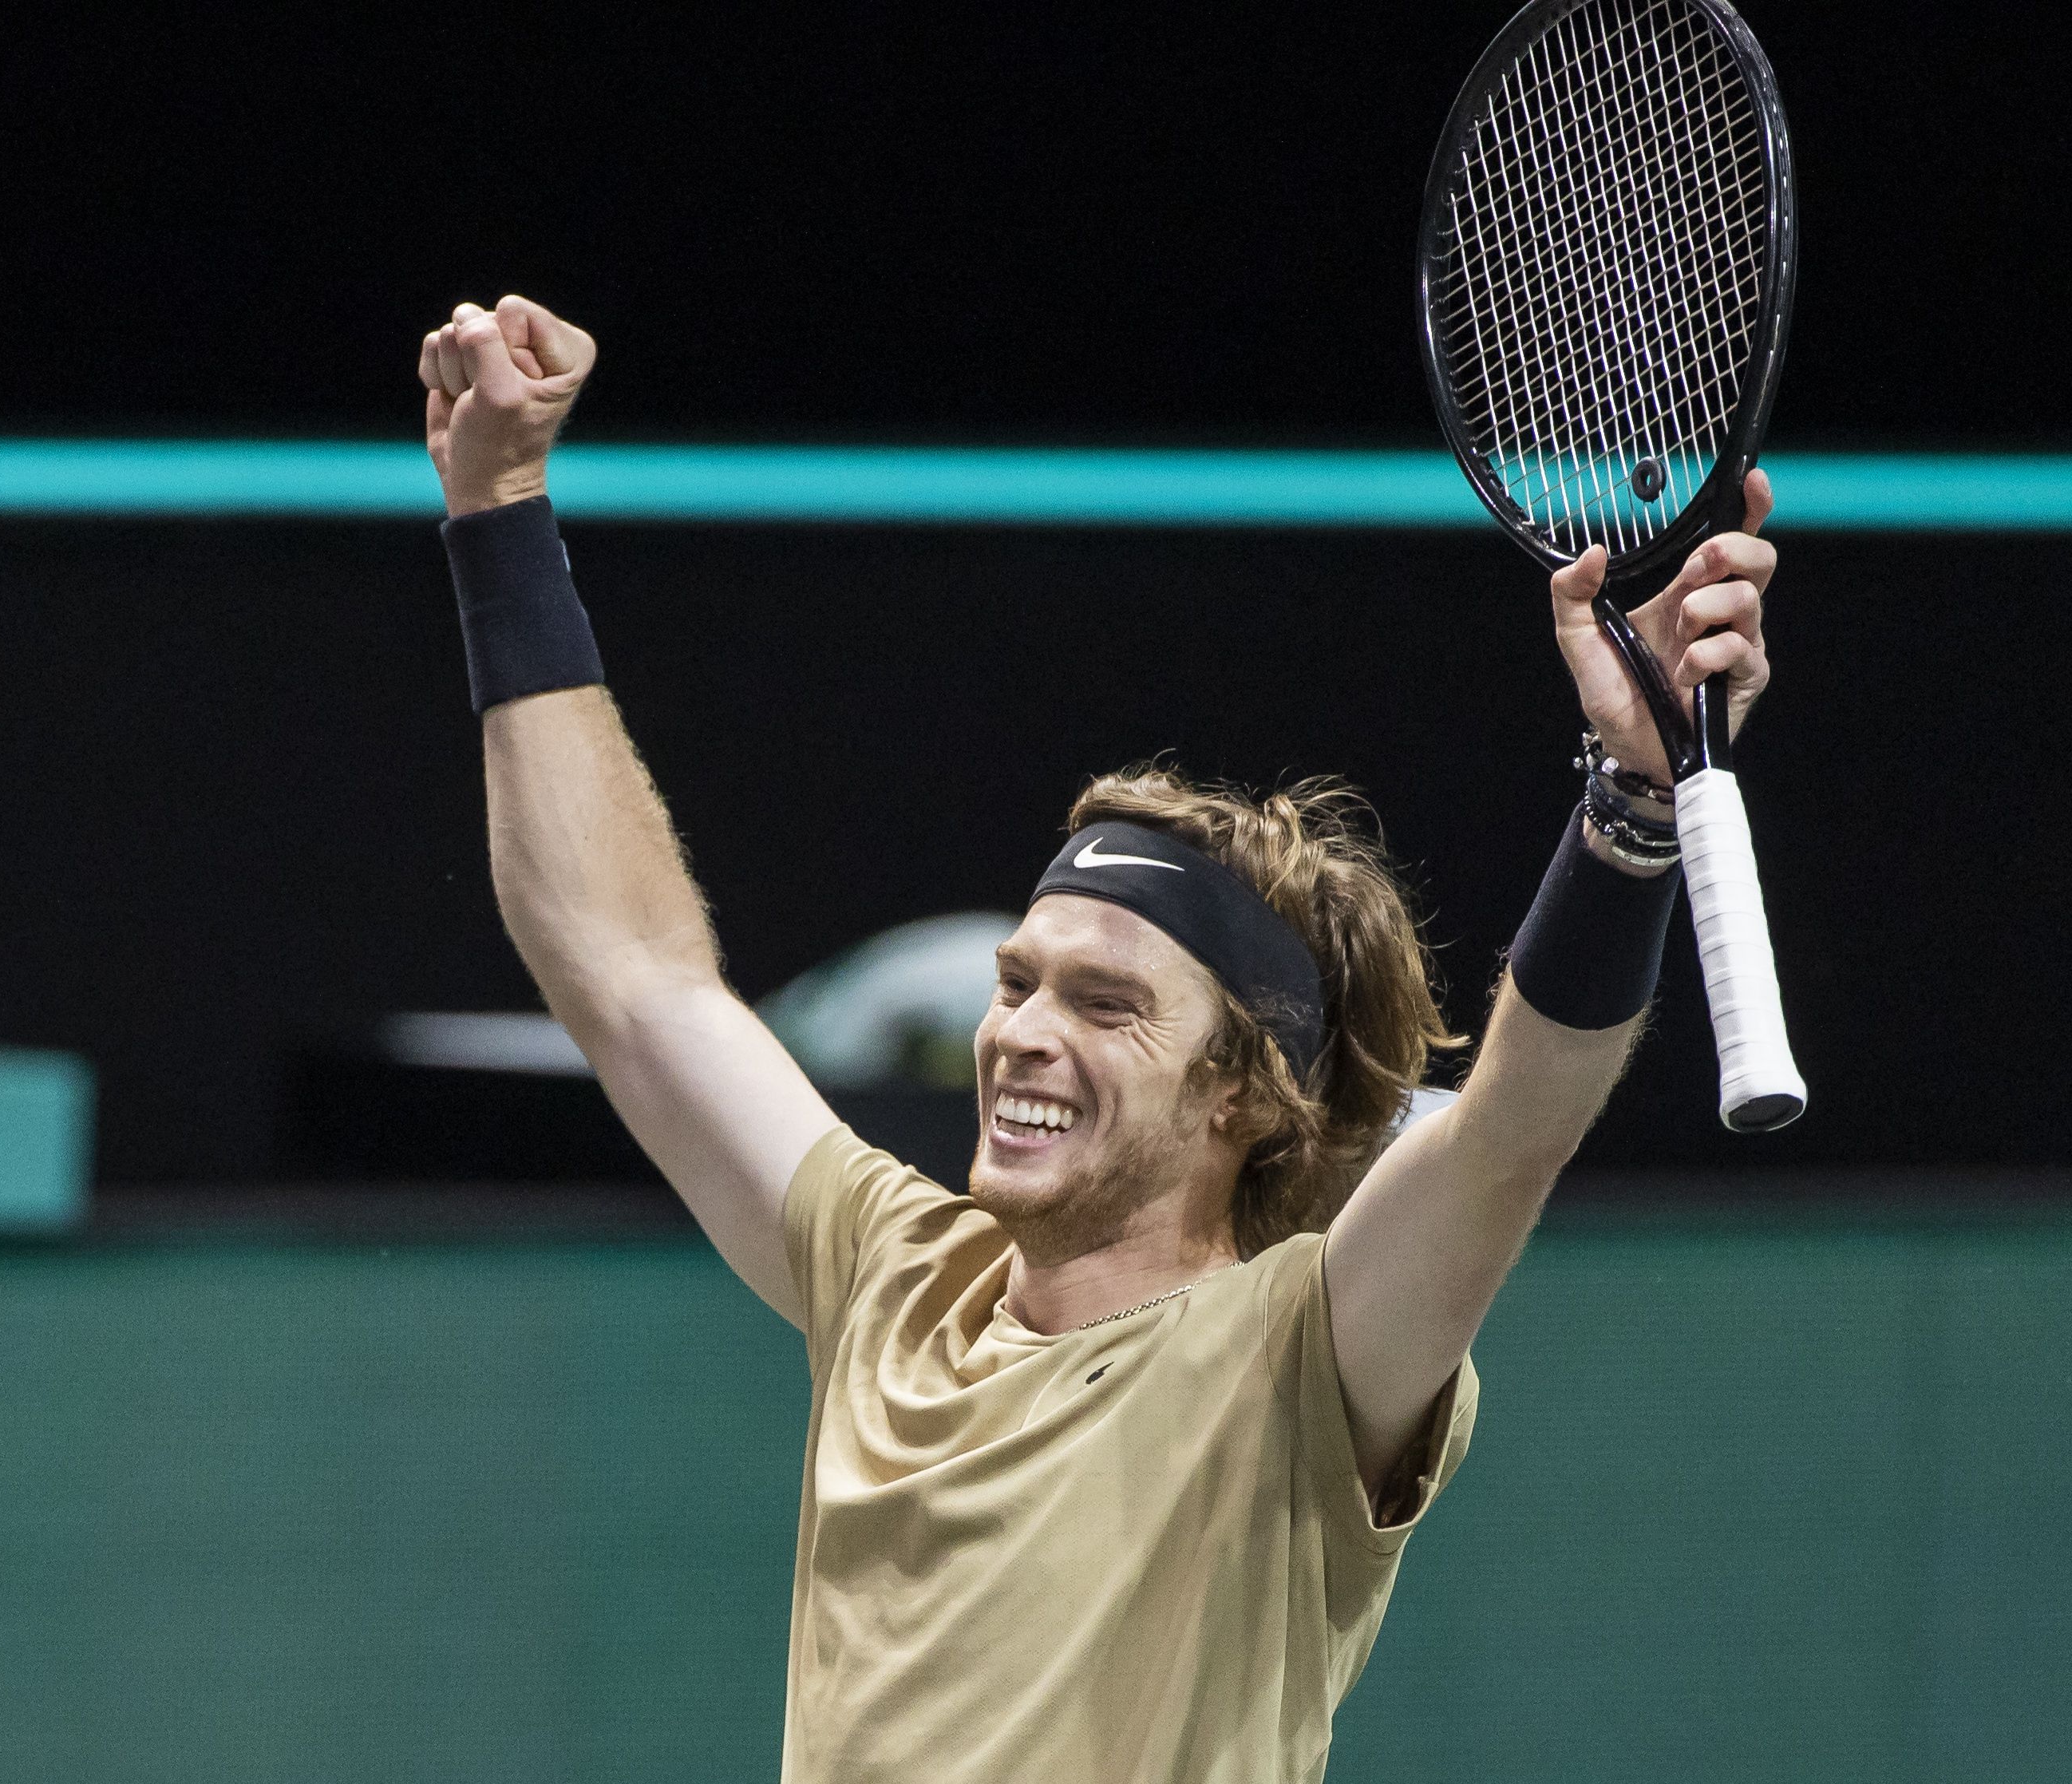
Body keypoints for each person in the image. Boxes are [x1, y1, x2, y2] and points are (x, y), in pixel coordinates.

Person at [417, 295, 1779, 1782]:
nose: (1020, 1035)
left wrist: (1631, 808)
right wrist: (499, 510)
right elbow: (629, 975)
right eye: (1018, 983)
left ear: (1242, 1098)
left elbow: (1513, 1123)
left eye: (1105, 1003)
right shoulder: (892, 1275)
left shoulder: (1299, 1362)